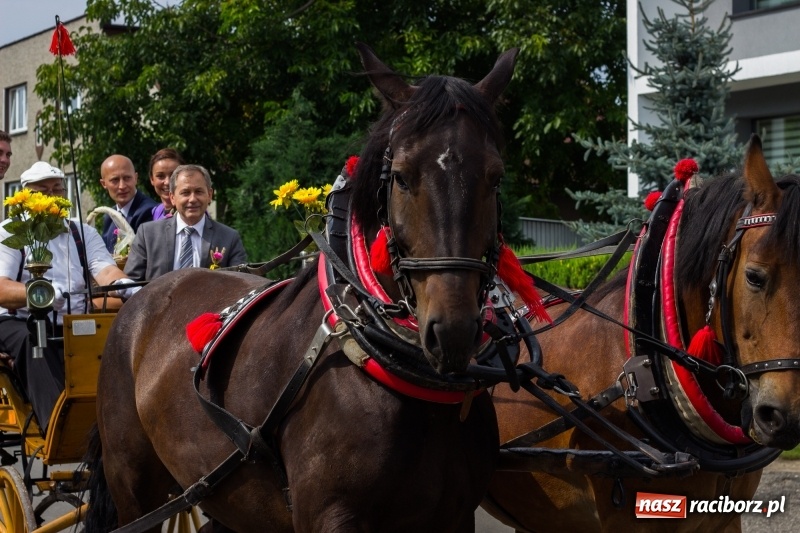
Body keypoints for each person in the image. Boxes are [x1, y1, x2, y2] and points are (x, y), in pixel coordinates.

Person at [0, 162, 141, 430]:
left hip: (73, 323)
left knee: (114, 340)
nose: (53, 196)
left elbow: (105, 270)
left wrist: (133, 289)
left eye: (58, 190)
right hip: (19, 321)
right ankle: (62, 428)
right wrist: (44, 293)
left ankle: (122, 422)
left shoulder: (81, 231)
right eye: (43, 190)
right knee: (34, 342)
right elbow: (2, 289)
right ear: (26, 195)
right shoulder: (9, 231)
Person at [125, 164, 247, 281]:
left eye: (199, 192)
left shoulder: (229, 238)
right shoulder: (148, 234)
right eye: (185, 193)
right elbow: (131, 283)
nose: (193, 199)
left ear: (209, 195)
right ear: (172, 197)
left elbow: (241, 285)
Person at [99, 154, 158, 253]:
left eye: (127, 178)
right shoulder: (109, 216)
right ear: (104, 184)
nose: (122, 186)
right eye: (115, 180)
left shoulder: (149, 212)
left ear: (135, 178)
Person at [148, 148, 184, 220]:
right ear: (152, 179)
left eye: (173, 175)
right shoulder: (156, 211)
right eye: (160, 176)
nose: (167, 182)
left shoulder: (193, 212)